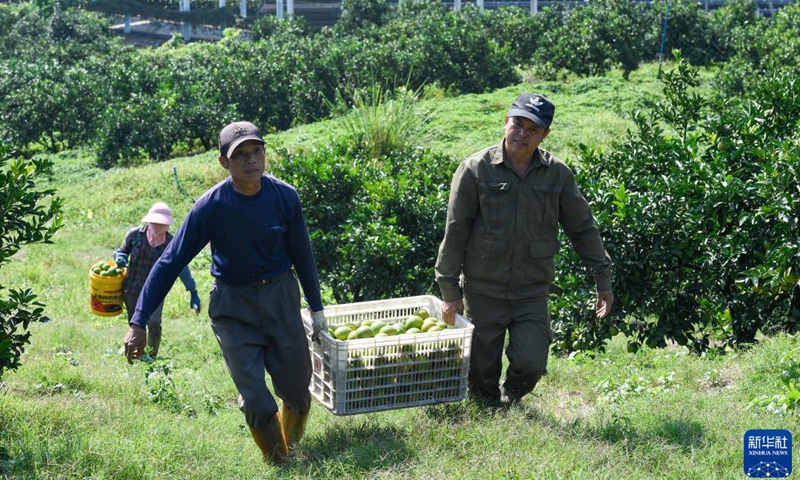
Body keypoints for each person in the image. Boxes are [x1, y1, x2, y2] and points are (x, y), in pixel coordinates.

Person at [122, 121, 327, 465]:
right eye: (240, 155)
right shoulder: (211, 206)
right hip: (234, 308)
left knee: (297, 392)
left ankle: (290, 447)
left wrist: (317, 309)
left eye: (256, 151)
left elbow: (302, 254)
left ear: (264, 153)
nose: (251, 160)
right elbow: (169, 263)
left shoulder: (284, 197)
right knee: (256, 398)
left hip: (281, 298)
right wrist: (138, 321)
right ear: (224, 162)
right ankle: (280, 464)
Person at [435, 93, 614, 406]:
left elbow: (583, 228)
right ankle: (488, 410)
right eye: (518, 123)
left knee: (531, 363)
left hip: (531, 290)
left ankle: (511, 398)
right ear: (506, 122)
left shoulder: (557, 174)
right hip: (483, 290)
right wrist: (450, 291)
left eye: (533, 129)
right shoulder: (475, 170)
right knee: (480, 372)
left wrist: (603, 279)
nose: (523, 133)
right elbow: (455, 231)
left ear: (545, 135)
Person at [114, 202, 201, 359]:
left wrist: (193, 291)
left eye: (161, 223)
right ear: (148, 221)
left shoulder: (172, 243)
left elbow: (183, 269)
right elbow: (122, 251)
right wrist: (120, 257)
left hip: (155, 292)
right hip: (132, 289)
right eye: (154, 222)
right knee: (135, 324)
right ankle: (138, 353)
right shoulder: (134, 235)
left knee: (154, 325)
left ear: (167, 225)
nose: (157, 226)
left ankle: (152, 356)